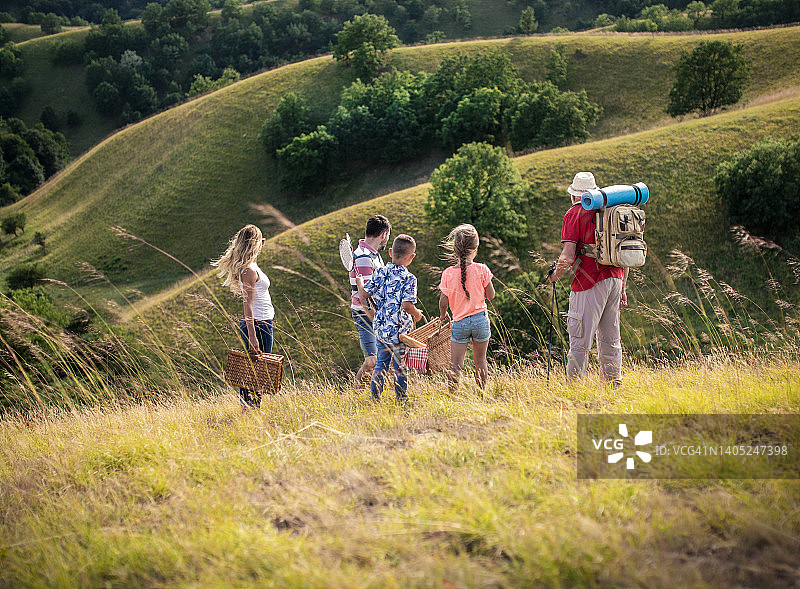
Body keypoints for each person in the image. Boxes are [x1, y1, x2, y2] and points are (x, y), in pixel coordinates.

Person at [548, 172, 628, 386]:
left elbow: (567, 256)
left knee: (580, 341)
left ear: (574, 195)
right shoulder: (610, 210)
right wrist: (623, 288)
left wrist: (554, 276)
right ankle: (613, 385)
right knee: (611, 339)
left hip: (588, 282)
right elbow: (623, 253)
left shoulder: (574, 213)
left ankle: (574, 388)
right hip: (615, 278)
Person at [212, 224, 275, 408]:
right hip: (257, 325)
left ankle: (251, 409)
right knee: (254, 373)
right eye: (260, 241)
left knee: (258, 372)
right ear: (254, 243)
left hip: (264, 322)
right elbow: (247, 304)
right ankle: (250, 410)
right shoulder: (248, 270)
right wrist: (253, 336)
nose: (263, 244)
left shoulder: (252, 265)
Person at [363, 234, 424, 404]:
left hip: (381, 330)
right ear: (411, 257)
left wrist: (360, 284)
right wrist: (417, 314)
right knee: (400, 367)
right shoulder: (409, 278)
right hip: (400, 333)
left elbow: (366, 293)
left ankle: (375, 398)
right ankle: (401, 399)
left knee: (381, 365)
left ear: (390, 252)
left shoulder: (380, 272)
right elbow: (407, 306)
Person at [438, 224, 495, 390]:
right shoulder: (482, 269)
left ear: (455, 250)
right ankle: (481, 394)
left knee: (455, 365)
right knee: (481, 362)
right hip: (480, 320)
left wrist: (443, 314)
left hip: (459, 323)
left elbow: (443, 302)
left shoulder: (448, 273)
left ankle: (452, 396)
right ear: (476, 248)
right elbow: (491, 296)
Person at [350, 215, 391, 387]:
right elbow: (365, 296)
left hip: (378, 313)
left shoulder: (373, 255)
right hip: (366, 314)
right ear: (383, 234)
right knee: (371, 361)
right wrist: (376, 318)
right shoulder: (363, 257)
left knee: (384, 359)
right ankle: (355, 394)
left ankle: (375, 395)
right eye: (388, 236)